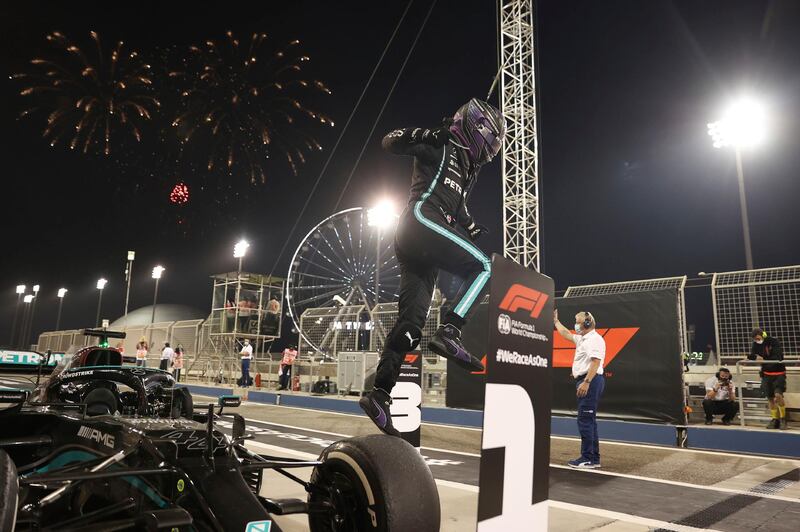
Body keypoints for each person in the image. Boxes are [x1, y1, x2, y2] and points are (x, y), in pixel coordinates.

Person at [359, 98, 506, 437]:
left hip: (419, 241)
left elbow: (457, 203)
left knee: (410, 325)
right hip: (421, 220)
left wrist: (469, 226)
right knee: (484, 267)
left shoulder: (467, 169)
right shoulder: (439, 142)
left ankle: (379, 394)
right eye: (493, 142)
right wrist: (421, 133)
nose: (493, 151)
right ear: (477, 128)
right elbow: (389, 141)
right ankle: (451, 330)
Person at [555, 309, 606, 469]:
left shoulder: (594, 340)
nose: (575, 324)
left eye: (577, 321)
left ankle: (588, 458)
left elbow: (595, 362)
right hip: (587, 380)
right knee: (589, 420)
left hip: (590, 381)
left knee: (585, 420)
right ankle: (593, 458)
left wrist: (586, 381)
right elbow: (566, 334)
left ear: (587, 323)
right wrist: (555, 321)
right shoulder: (583, 339)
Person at [748, 328, 787, 429]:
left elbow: (778, 357)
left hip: (779, 373)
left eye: (758, 338)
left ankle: (783, 418)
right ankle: (775, 419)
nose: (757, 341)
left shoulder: (773, 341)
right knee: (770, 398)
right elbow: (753, 355)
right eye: (755, 339)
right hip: (766, 374)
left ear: (763, 335)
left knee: (778, 395)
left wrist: (763, 359)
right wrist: (752, 357)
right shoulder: (756, 344)